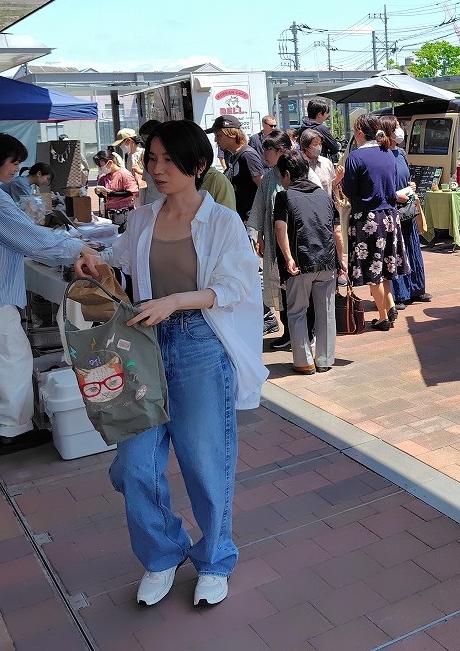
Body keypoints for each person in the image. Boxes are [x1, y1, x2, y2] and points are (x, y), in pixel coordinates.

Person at [101, 120, 265, 609]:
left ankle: (214, 558)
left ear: (198, 165)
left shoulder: (221, 222)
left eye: (169, 160)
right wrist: (94, 263)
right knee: (135, 465)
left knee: (204, 462)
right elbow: (119, 265)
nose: (157, 169)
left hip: (199, 346)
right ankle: (162, 554)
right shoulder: (142, 219)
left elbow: (236, 287)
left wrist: (176, 301)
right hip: (143, 346)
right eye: (152, 159)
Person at [0, 133, 102, 455]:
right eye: (13, 162)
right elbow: (29, 238)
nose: (16, 168)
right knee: (10, 359)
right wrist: (77, 247)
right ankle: (13, 431)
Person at [274, 151, 342, 373]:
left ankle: (304, 362)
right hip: (327, 262)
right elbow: (337, 232)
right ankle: (325, 360)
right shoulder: (325, 196)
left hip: (300, 263)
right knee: (326, 313)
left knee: (297, 311)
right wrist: (341, 261)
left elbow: (280, 227)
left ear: (287, 174)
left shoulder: (284, 197)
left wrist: (288, 258)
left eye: (280, 175)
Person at [340, 112, 406, 330]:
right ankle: (390, 305)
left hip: (367, 218)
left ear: (360, 133)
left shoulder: (355, 157)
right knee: (386, 264)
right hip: (390, 215)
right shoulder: (388, 153)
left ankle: (382, 316)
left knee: (373, 269)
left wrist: (338, 182)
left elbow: (349, 191)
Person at [247, 131, 292, 349]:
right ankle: (288, 331)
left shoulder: (298, 170)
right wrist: (260, 236)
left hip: (295, 240)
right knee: (279, 285)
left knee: (296, 287)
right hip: (274, 242)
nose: (263, 154)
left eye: (267, 150)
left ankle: (304, 331)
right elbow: (260, 207)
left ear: (281, 151)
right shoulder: (269, 176)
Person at [380, 117, 431, 308]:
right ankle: (399, 294)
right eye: (395, 128)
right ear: (387, 132)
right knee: (396, 250)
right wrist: (395, 195)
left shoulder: (401, 153)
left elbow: (405, 175)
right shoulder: (382, 155)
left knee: (412, 247)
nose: (400, 131)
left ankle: (416, 289)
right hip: (392, 208)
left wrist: (411, 185)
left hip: (407, 208)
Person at [206, 116, 263, 220]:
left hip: (250, 220)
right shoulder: (234, 156)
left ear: (231, 134)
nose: (215, 140)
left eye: (218, 135)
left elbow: (262, 186)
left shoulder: (248, 155)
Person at [93, 149, 139, 231]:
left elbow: (132, 192)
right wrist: (98, 192)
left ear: (110, 162)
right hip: (109, 213)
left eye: (102, 166)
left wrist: (114, 194)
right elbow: (103, 195)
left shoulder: (124, 174)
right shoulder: (104, 176)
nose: (101, 168)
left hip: (124, 213)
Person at [297, 127, 339, 193]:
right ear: (306, 147)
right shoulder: (299, 164)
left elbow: (332, 186)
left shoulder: (326, 163)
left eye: (320, 144)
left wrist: (339, 177)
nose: (319, 147)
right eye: (315, 144)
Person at [301, 97, 342, 163]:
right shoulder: (321, 129)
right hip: (318, 162)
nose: (327, 115)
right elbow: (335, 148)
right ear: (319, 114)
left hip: (303, 162)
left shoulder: (302, 128)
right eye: (326, 113)